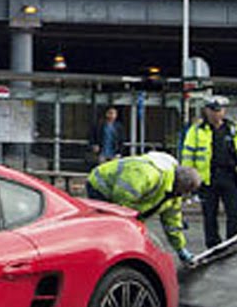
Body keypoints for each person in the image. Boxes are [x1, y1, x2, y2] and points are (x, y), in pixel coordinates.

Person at [87, 151, 203, 266]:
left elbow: (172, 225)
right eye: (185, 192)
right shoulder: (148, 174)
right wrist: (131, 223)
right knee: (108, 228)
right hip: (101, 187)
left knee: (125, 233)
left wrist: (180, 249)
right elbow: (122, 201)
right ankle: (98, 258)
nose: (184, 196)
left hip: (125, 199)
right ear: (180, 186)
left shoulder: (174, 195)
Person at [182, 96, 237, 250]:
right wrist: (189, 180)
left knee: (234, 212)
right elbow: (188, 155)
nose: (215, 114)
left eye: (218, 111)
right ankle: (213, 244)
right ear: (206, 111)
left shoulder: (232, 129)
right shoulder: (196, 130)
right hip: (207, 178)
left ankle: (232, 242)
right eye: (212, 110)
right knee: (209, 214)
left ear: (224, 111)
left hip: (230, 177)